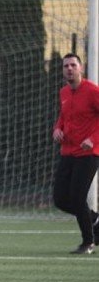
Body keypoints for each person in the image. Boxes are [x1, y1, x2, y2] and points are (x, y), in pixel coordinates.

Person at [52, 52, 99, 254]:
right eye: (66, 66)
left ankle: (88, 242)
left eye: (73, 65)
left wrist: (93, 139)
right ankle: (95, 218)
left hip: (88, 154)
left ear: (81, 68)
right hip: (68, 152)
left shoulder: (92, 91)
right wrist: (57, 129)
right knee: (60, 199)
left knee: (78, 198)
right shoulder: (63, 93)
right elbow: (64, 117)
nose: (69, 69)